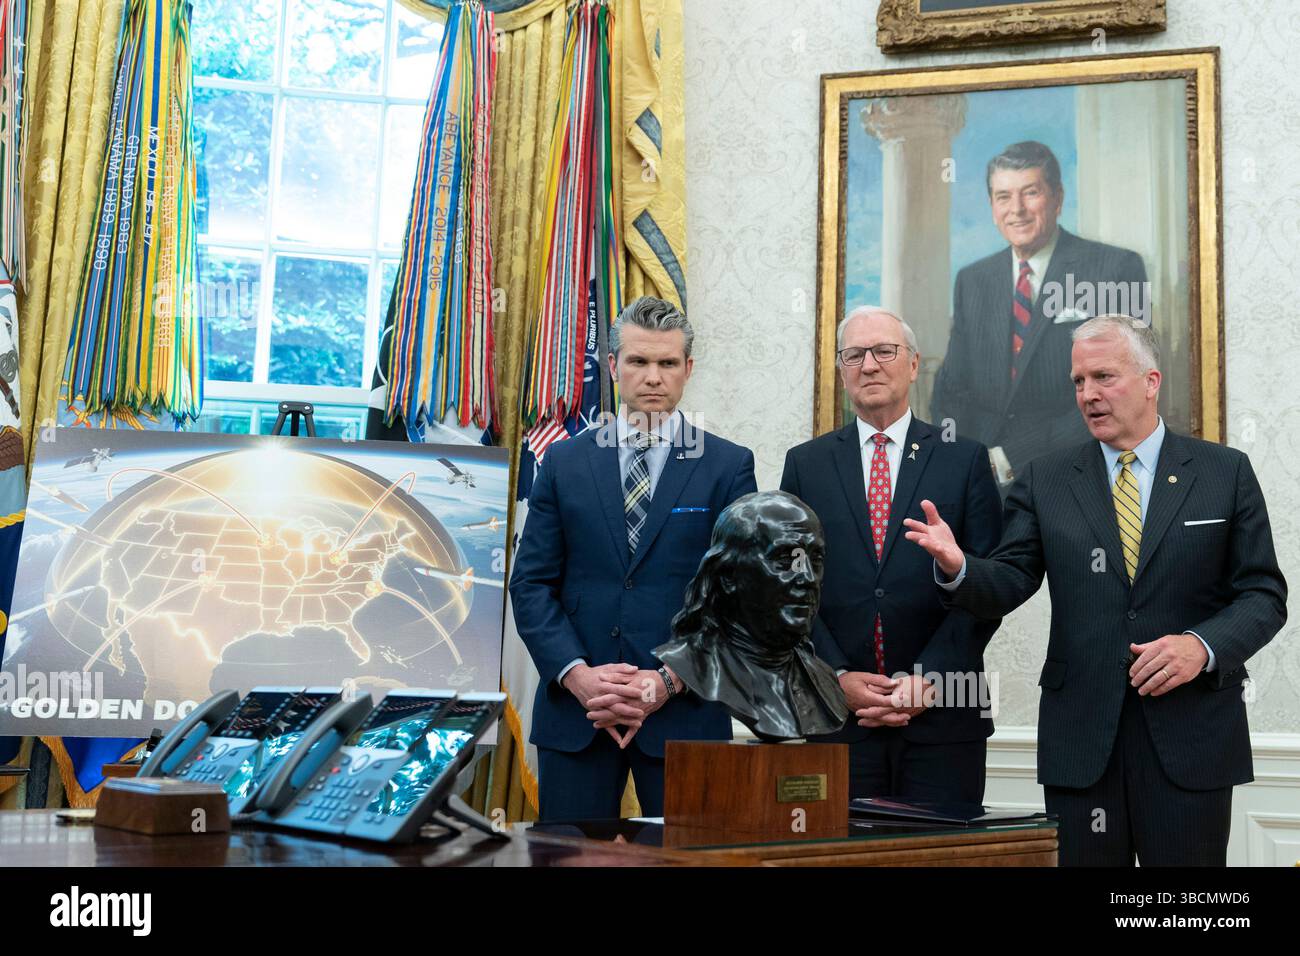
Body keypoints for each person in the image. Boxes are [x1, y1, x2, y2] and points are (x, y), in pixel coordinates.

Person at [906, 314, 1287, 866]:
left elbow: (1263, 594)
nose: (1088, 394)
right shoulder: (1046, 479)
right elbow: (1011, 579)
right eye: (1079, 382)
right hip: (1082, 743)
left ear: (1151, 381)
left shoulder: (1224, 473)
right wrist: (959, 565)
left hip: (1191, 740)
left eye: (1104, 377)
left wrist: (1199, 647)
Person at [509, 296, 757, 821]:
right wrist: (579, 677)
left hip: (685, 717)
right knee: (567, 862)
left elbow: (738, 597)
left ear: (688, 369)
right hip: (578, 717)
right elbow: (531, 583)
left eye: (667, 363)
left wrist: (666, 682)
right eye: (638, 362)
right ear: (614, 366)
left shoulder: (727, 465)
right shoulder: (564, 460)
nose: (653, 377)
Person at [780, 307, 1003, 804]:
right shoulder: (806, 464)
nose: (870, 365)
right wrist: (836, 677)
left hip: (945, 718)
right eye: (854, 355)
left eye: (884, 351)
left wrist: (928, 680)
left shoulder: (964, 459)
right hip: (838, 721)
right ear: (842, 370)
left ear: (914, 364)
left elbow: (988, 587)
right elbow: (791, 590)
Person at [930, 140, 1148, 482]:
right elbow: (952, 391)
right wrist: (965, 460)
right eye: (1003, 197)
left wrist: (1008, 458)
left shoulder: (1115, 269)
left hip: (1079, 473)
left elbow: (1118, 391)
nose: (1016, 209)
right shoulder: (972, 280)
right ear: (991, 206)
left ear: (1057, 198)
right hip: (983, 480)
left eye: (1030, 192)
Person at [654, 490, 849, 742]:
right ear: (727, 575)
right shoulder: (696, 665)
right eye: (786, 560)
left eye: (815, 559)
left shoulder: (824, 680)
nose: (808, 578)